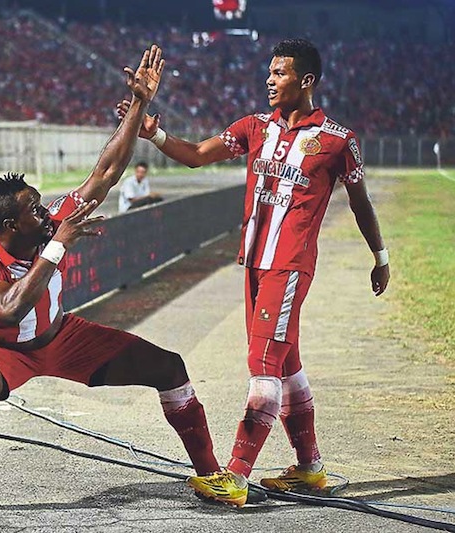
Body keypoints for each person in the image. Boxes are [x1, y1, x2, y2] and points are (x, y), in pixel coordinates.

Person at [0, 45, 220, 517]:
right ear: (9, 228)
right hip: (6, 352)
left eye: (43, 204)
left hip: (64, 337)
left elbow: (105, 172)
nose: (46, 212)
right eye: (34, 210)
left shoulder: (46, 225)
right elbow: (7, 311)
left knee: (169, 367)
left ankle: (211, 475)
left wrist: (140, 103)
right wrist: (59, 244)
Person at [116, 38, 390, 506]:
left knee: (262, 365)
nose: (269, 79)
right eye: (269, 72)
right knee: (285, 363)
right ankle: (309, 468)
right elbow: (199, 153)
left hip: (290, 267)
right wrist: (155, 136)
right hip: (254, 264)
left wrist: (380, 256)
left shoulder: (338, 140)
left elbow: (360, 202)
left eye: (279, 73)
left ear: (305, 81)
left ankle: (237, 475)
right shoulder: (254, 127)